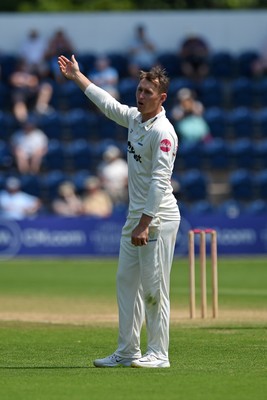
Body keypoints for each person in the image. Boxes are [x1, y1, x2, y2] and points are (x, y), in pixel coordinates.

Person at [58, 53, 180, 368]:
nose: (140, 96)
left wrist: (145, 223)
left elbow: (158, 182)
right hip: (135, 217)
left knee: (154, 287)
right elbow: (108, 104)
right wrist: (77, 76)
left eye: (147, 93)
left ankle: (159, 353)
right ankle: (128, 351)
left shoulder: (163, 133)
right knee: (126, 283)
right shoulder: (135, 120)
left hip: (157, 217)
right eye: (139, 90)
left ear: (161, 97)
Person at [9, 58, 54, 122]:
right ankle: (23, 122)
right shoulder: (17, 70)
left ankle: (40, 109)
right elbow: (13, 80)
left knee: (46, 88)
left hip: (34, 91)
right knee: (18, 101)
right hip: (21, 92)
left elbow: (35, 81)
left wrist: (26, 81)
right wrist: (26, 81)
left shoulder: (35, 71)